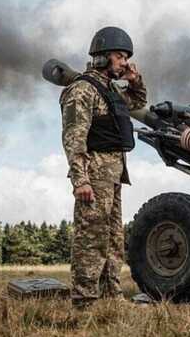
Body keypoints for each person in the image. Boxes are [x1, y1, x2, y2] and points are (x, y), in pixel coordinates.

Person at [59, 26, 147, 308]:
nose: (124, 62)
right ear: (102, 56)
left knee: (112, 238)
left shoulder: (110, 91)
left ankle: (112, 295)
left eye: (125, 57)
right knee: (91, 237)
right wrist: (80, 180)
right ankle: (85, 299)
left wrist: (134, 80)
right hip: (94, 173)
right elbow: (74, 138)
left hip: (113, 174)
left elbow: (139, 102)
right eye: (120, 56)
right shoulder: (82, 90)